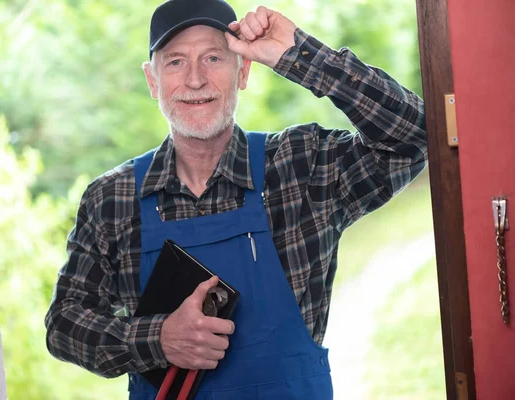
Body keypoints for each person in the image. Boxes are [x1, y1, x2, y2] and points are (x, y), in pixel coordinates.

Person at [45, 0, 427, 398]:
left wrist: (299, 54)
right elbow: (64, 326)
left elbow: (414, 135)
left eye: (213, 57)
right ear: (152, 81)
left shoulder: (303, 168)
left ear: (243, 70)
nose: (195, 80)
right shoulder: (112, 198)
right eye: (175, 62)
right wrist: (158, 338)